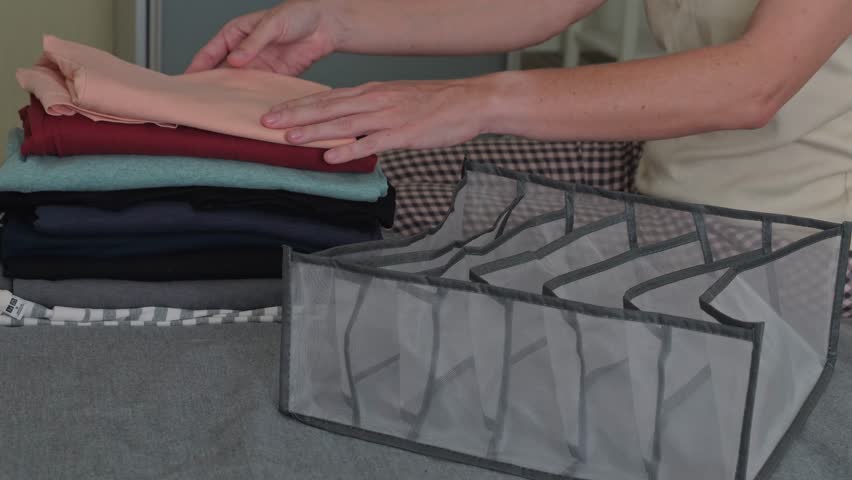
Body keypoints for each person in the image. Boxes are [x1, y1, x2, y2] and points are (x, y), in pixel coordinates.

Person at [187, 0, 851, 227]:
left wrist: (480, 100)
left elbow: (754, 85)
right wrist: (333, 21)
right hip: (663, 184)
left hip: (804, 239)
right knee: (354, 183)